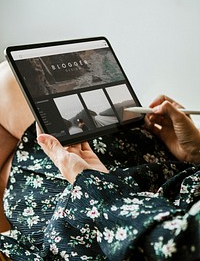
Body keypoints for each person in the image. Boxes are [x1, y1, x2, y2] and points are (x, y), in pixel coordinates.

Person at [0, 60, 199, 260]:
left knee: (9, 80)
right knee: (12, 79)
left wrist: (96, 185)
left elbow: (169, 245)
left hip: (115, 217)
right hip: (173, 175)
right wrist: (196, 153)